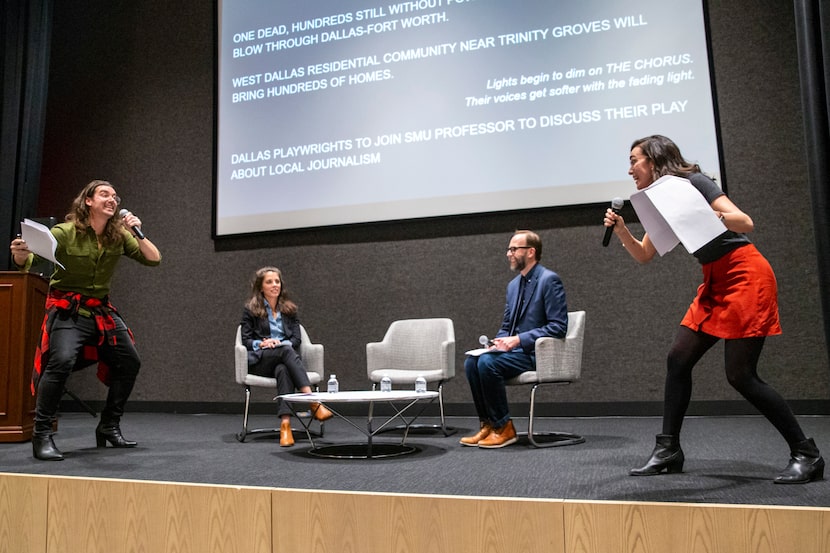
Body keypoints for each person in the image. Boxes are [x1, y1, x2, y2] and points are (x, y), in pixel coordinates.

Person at [604, 134, 824, 483]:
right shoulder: (658, 200)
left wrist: (708, 213)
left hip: (745, 273)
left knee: (740, 375)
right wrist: (621, 231)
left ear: (655, 159)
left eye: (635, 160)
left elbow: (744, 222)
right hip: (715, 280)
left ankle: (807, 454)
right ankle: (668, 450)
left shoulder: (694, 182)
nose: (630, 168)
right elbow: (645, 254)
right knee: (678, 358)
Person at [9, 180, 162, 461]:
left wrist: (137, 232)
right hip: (68, 309)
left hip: (101, 311)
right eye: (105, 194)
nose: (112, 199)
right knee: (61, 362)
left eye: (115, 196)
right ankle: (41, 435)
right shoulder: (64, 232)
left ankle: (108, 426)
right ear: (88, 201)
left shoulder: (119, 236)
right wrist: (20, 256)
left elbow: (154, 259)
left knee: (130, 361)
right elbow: (33, 263)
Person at [461, 230, 568, 448]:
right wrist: (498, 343)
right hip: (516, 353)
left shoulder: (549, 280)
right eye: (508, 249)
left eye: (514, 249)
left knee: (487, 364)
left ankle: (505, 428)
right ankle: (488, 424)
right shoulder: (513, 286)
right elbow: (507, 327)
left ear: (530, 252)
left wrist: (518, 340)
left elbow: (558, 327)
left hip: (536, 353)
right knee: (472, 362)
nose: (509, 254)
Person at [240, 266, 332, 447]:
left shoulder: (289, 310)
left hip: (284, 360)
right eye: (269, 282)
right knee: (285, 350)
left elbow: (296, 339)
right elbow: (246, 340)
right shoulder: (250, 310)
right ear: (261, 287)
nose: (275, 285)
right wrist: (264, 343)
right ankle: (312, 401)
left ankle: (285, 426)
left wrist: (280, 343)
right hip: (262, 360)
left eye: (277, 281)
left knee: (283, 368)